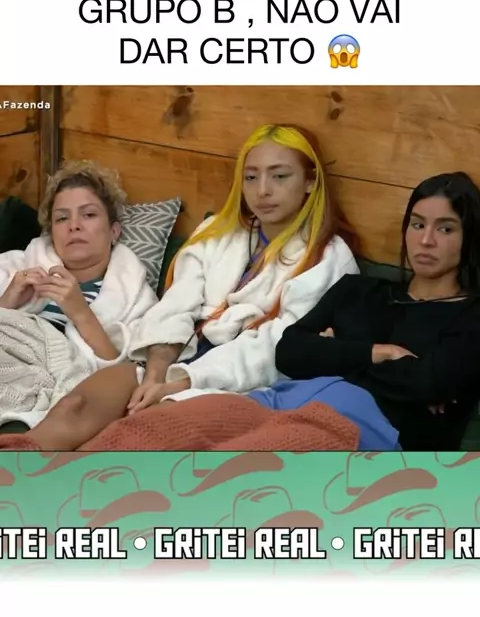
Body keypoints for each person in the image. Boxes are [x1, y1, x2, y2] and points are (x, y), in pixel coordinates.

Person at [12, 123, 359, 450]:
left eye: (280, 176)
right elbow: (176, 307)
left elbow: (276, 346)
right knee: (75, 406)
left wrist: (180, 383)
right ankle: (15, 464)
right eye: (251, 177)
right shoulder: (218, 234)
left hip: (240, 382)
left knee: (139, 431)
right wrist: (155, 376)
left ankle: (72, 486)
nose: (263, 190)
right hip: (175, 361)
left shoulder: (328, 258)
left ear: (310, 181)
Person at [266, 171, 480, 451]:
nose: (426, 240)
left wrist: (331, 353)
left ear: (470, 237)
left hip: (364, 441)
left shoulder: (470, 315)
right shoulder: (357, 290)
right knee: (207, 418)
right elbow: (288, 352)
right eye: (417, 225)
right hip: (280, 403)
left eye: (445, 229)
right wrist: (380, 353)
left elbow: (430, 383)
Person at [0, 160, 157, 428]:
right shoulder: (14, 267)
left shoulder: (135, 296)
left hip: (62, 381)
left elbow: (126, 376)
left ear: (114, 231)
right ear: (52, 233)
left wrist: (81, 312)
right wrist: (7, 303)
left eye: (89, 215)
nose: (74, 225)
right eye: (62, 218)